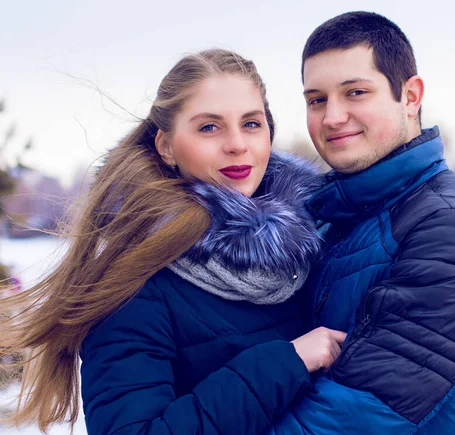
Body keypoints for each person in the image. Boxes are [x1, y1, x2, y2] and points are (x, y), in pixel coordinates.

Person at [0, 49, 348, 435]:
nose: (236, 144)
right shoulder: (134, 281)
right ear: (165, 146)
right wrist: (286, 363)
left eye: (251, 124)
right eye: (209, 128)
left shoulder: (314, 245)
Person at [271, 11, 455, 434]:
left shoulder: (453, 231)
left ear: (410, 96)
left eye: (355, 92)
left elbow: (354, 417)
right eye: (316, 99)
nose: (331, 117)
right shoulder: (336, 219)